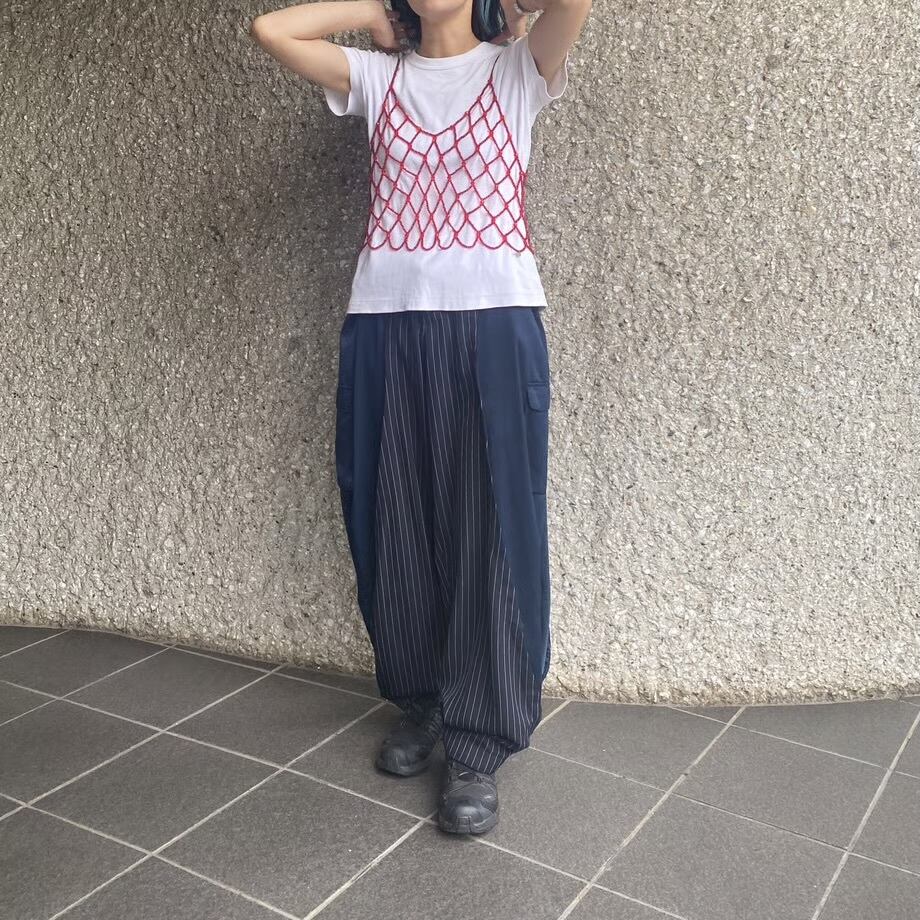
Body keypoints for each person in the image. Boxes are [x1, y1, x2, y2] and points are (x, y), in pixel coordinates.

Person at [250, 0, 589, 835]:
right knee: (389, 514)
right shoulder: (376, 77)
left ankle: (480, 739)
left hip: (494, 322)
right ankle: (423, 699)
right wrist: (376, 12)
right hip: (384, 321)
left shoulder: (517, 71)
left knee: (492, 527)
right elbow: (272, 30)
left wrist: (514, 10)